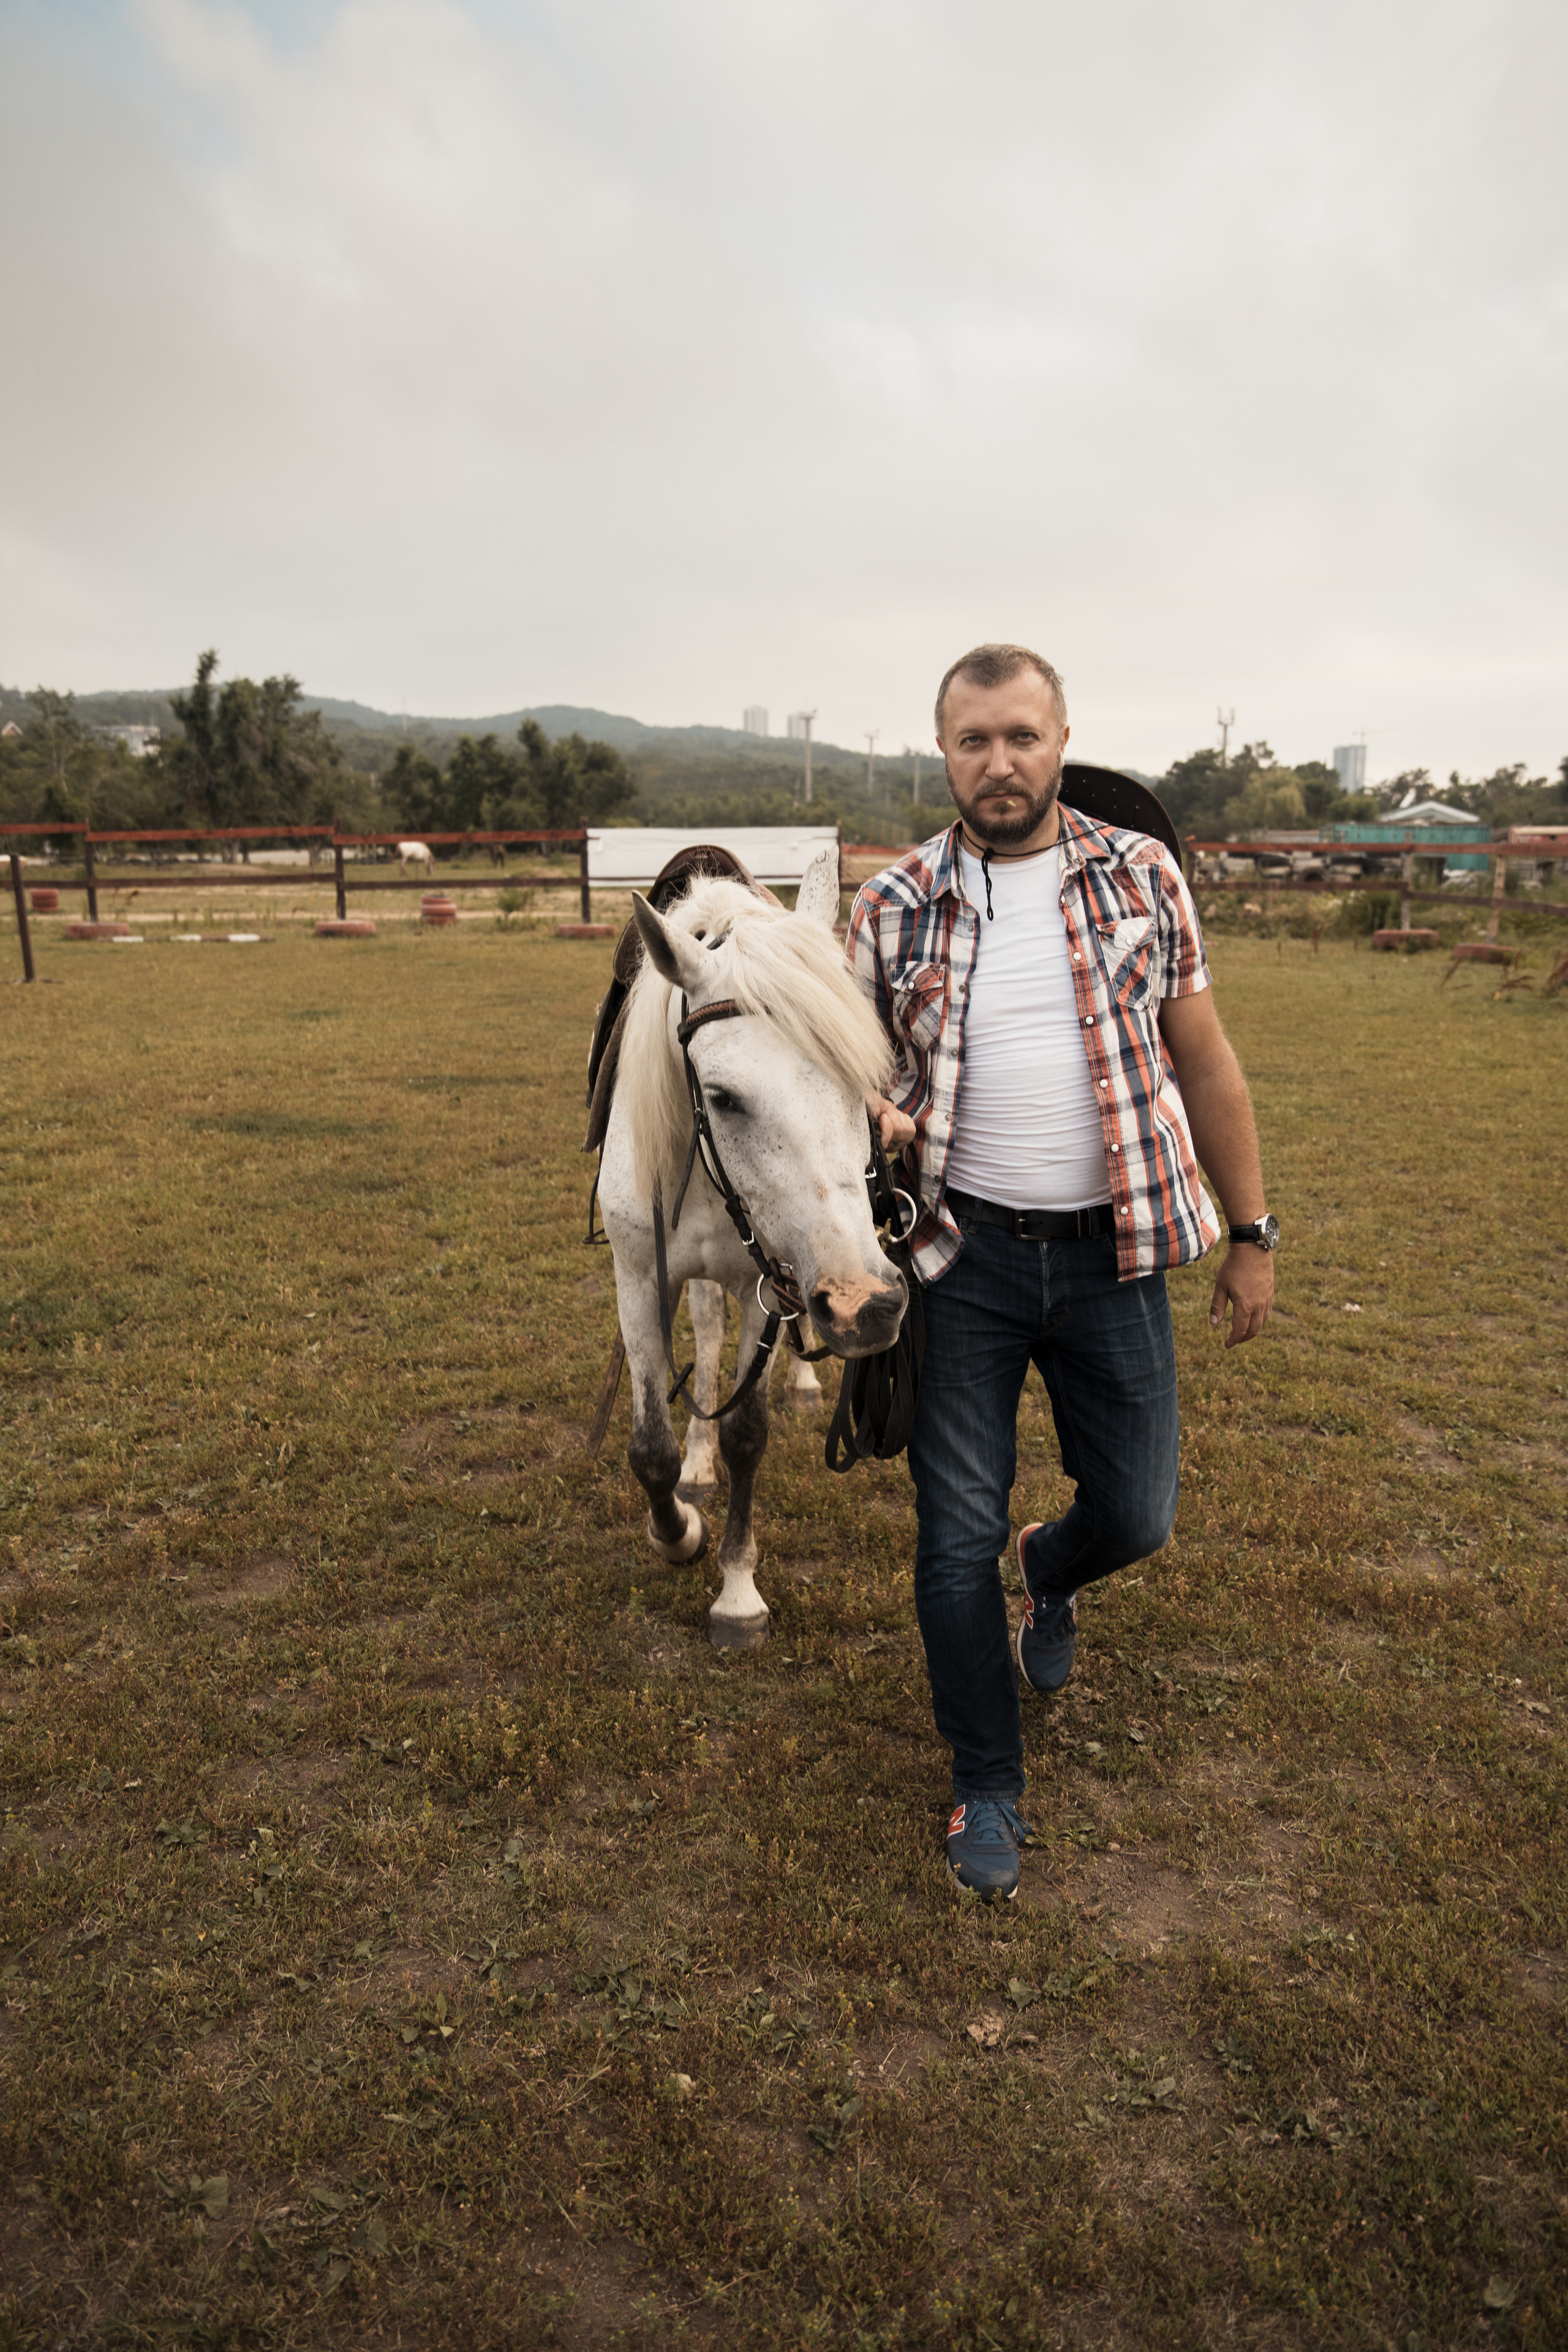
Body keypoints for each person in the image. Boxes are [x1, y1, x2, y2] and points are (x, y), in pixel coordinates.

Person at [848, 643, 1275, 1900]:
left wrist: (1250, 1234)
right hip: (959, 1260)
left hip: (1112, 1255)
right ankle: (984, 1783)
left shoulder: (1138, 875)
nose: (998, 763)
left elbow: (1204, 1062)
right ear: (943, 752)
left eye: (1021, 737)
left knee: (1137, 1515)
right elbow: (851, 1069)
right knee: (946, 1543)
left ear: (1059, 738)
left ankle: (1050, 1571)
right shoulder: (891, 904)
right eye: (973, 740)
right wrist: (872, 1109)